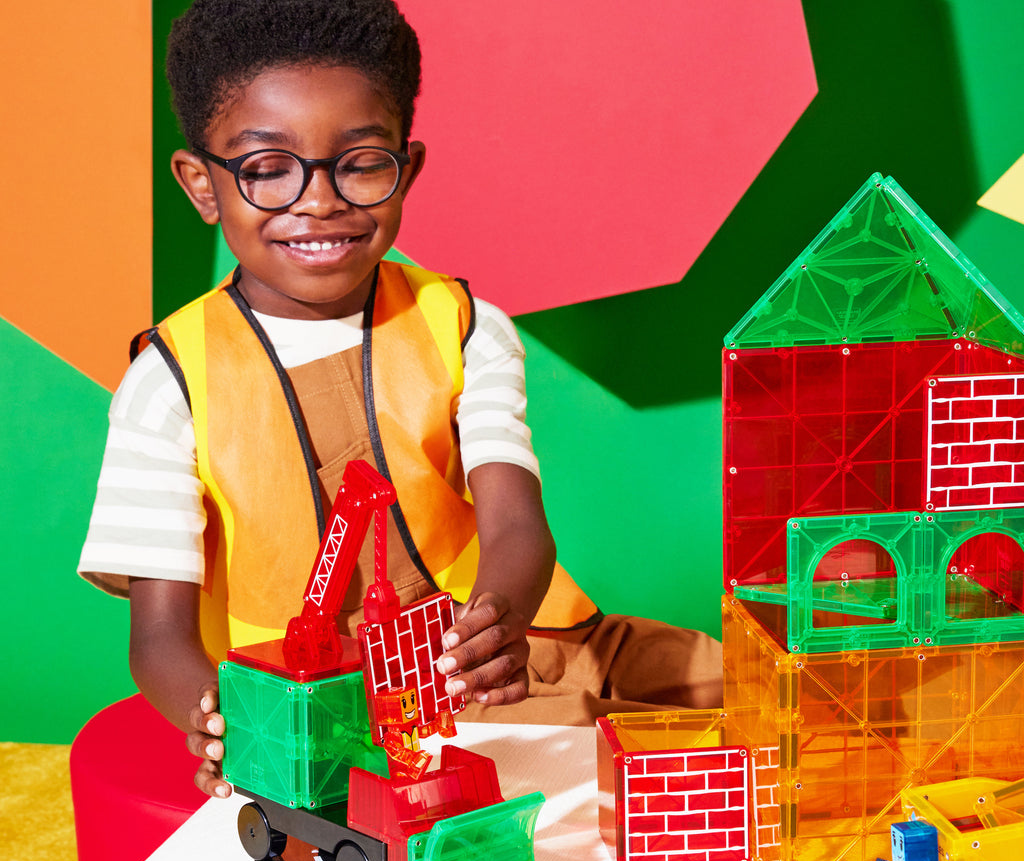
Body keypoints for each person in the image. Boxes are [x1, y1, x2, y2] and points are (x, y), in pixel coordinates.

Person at [79, 0, 722, 800]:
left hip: (520, 644)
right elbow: (160, 641)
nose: (318, 200)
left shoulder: (462, 324)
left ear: (407, 169)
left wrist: (499, 621)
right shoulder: (167, 380)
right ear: (203, 186)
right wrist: (230, 721)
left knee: (753, 688)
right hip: (343, 713)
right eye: (267, 168)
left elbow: (517, 526)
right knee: (642, 782)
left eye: (359, 162)